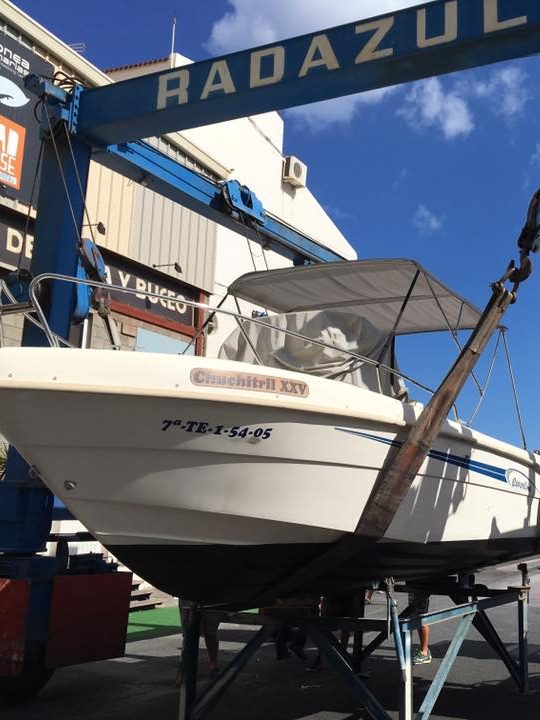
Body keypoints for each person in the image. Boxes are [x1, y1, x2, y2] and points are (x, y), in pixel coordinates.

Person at [177, 599, 220, 679]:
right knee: (188, 634)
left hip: (210, 599)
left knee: (210, 632)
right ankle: (185, 666)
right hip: (188, 599)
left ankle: (214, 665)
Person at [408, 590, 431, 665]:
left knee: (421, 618)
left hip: (422, 588)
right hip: (414, 588)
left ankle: (425, 652)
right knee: (416, 617)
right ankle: (424, 649)